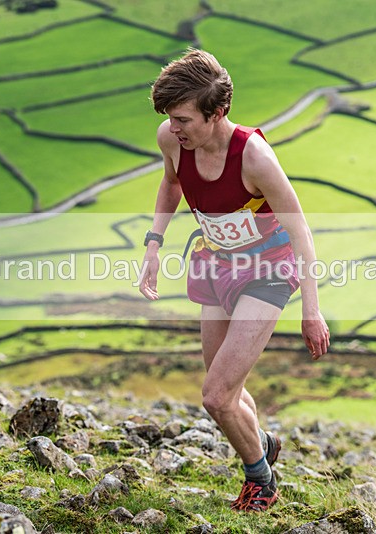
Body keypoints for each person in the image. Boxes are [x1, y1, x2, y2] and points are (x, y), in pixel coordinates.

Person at [138, 49, 330, 513]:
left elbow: (302, 232)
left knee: (216, 395)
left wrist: (311, 309)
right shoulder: (172, 139)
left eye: (183, 118)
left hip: (268, 270)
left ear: (217, 111)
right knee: (227, 387)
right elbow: (171, 184)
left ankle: (260, 480)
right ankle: (262, 441)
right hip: (216, 267)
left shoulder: (255, 157)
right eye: (169, 118)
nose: (174, 128)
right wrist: (153, 244)